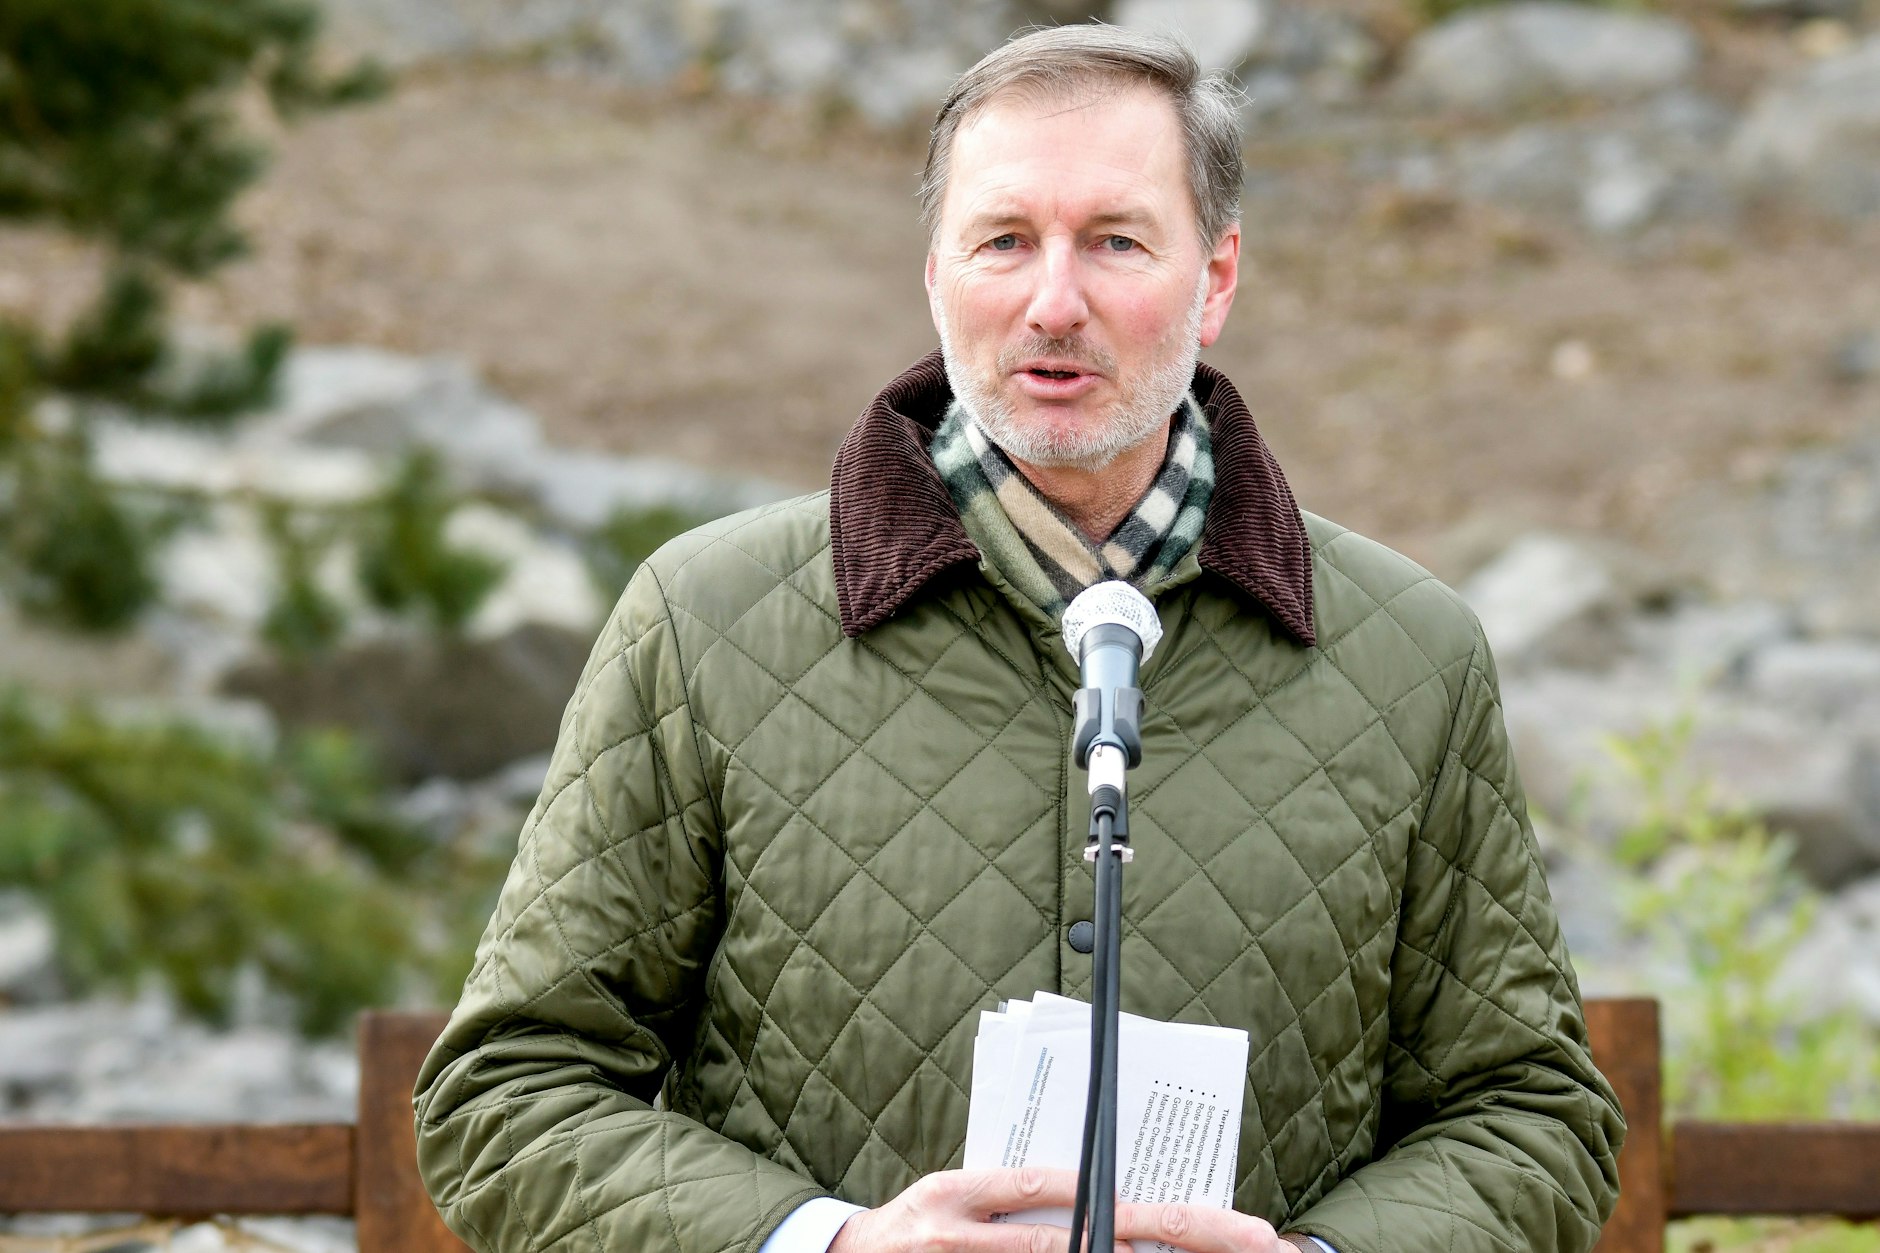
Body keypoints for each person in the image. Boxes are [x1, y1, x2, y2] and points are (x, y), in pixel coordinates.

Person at [413, 23, 1624, 1253]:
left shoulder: (1408, 655)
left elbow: (1530, 1115)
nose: (1054, 302)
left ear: (1212, 278)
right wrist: (825, 1243)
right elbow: (506, 1094)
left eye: (1114, 241)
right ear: (934, 274)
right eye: (1004, 240)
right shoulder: (702, 620)